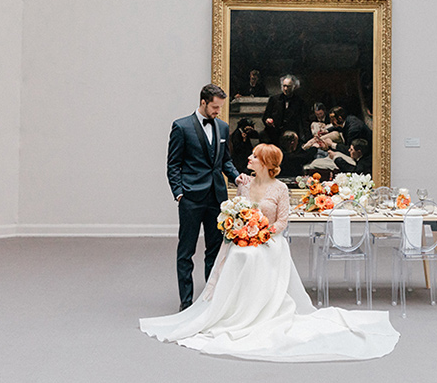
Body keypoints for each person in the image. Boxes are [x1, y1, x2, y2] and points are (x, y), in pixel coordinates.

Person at [141, 144, 399, 361]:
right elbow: (238, 211)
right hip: (244, 238)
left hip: (269, 240)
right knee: (240, 254)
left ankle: (257, 311)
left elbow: (283, 222)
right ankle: (234, 309)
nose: (249, 159)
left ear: (265, 162)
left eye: (254, 156)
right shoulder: (244, 184)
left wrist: (262, 232)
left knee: (251, 255)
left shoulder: (280, 189)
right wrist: (243, 231)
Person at [167, 84, 246, 311]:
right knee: (186, 251)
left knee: (215, 249)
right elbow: (173, 164)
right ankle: (186, 302)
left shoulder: (222, 127)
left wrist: (235, 177)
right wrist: (179, 193)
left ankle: (211, 298)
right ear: (203, 102)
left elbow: (225, 161)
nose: (217, 111)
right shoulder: (181, 127)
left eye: (220, 107)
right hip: (190, 197)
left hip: (216, 197)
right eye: (214, 106)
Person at [260, 74, 309, 145]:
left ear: (294, 87)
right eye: (284, 86)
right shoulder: (274, 99)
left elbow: (305, 122)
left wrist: (308, 139)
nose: (285, 89)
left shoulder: (300, 102)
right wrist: (267, 120)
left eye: (288, 86)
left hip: (291, 136)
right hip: (274, 135)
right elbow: (265, 116)